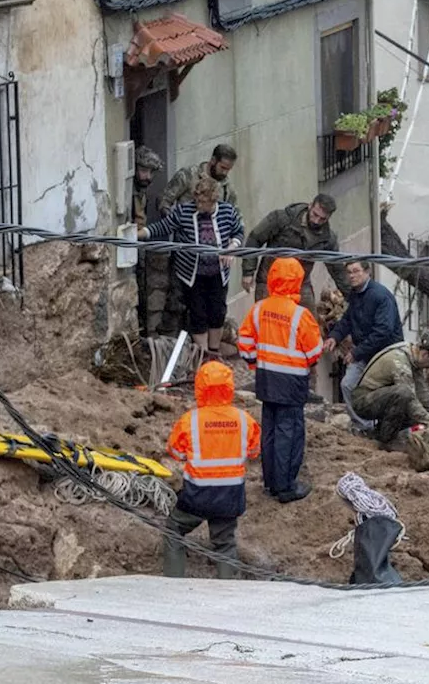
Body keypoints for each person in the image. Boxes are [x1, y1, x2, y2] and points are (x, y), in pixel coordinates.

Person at [237, 257, 324, 503]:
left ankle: (270, 483)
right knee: (290, 432)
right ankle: (286, 487)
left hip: (265, 378)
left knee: (270, 430)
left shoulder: (259, 309)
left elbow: (244, 342)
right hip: (292, 381)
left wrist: (255, 363)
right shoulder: (300, 315)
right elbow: (314, 351)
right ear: (297, 281)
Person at [163, 360, 261, 579]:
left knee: (173, 531)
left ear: (200, 387)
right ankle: (228, 593)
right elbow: (254, 451)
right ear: (229, 387)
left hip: (197, 494)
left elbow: (175, 452)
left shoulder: (190, 420)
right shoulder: (244, 420)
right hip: (230, 495)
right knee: (225, 543)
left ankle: (172, 585)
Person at [139, 176, 244, 355]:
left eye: (204, 202)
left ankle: (214, 351)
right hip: (193, 274)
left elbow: (239, 232)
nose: (199, 205)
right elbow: (164, 227)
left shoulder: (227, 211)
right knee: (198, 314)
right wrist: (140, 234)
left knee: (217, 312)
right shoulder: (184, 212)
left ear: (213, 201)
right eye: (198, 201)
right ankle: (202, 354)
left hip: (218, 273)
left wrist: (231, 247)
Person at [325, 260, 404, 421]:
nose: (352, 276)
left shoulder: (380, 296)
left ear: (368, 272)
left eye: (356, 271)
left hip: (385, 355)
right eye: (349, 272)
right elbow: (348, 319)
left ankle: (387, 427)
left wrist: (356, 352)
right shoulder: (356, 294)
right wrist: (334, 336)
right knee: (348, 384)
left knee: (382, 392)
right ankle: (363, 426)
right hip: (365, 353)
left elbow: (383, 330)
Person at [241, 195, 350, 311]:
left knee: (308, 322)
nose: (316, 221)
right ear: (310, 205)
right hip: (270, 281)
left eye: (322, 219)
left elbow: (337, 269)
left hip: (301, 284)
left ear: (329, 217)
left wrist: (352, 297)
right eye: (315, 214)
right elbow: (255, 238)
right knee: (268, 321)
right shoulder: (282, 219)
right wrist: (248, 272)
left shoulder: (327, 238)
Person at [350, 330, 429, 445]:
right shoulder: (400, 360)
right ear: (425, 354)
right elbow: (410, 399)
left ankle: (379, 433)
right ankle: (386, 440)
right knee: (403, 395)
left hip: (380, 397)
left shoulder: (415, 360)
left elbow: (422, 394)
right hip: (363, 400)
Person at [132, 145, 163, 336]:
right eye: (143, 171)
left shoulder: (143, 189)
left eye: (151, 172)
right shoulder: (131, 190)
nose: (147, 177)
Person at [159, 143, 238, 214]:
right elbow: (164, 200)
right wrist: (172, 223)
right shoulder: (189, 175)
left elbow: (235, 214)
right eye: (222, 168)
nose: (225, 172)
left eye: (228, 169)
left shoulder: (227, 187)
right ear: (213, 160)